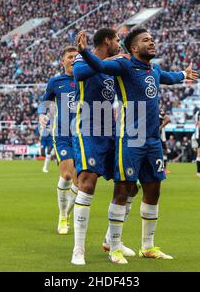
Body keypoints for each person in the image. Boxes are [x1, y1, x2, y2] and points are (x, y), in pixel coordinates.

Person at [76, 27, 199, 264]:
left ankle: (148, 246)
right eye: (146, 40)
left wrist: (183, 74)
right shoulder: (123, 66)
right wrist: (84, 51)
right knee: (122, 189)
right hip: (130, 139)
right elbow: (100, 66)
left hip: (153, 141)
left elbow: (170, 77)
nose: (151, 42)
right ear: (134, 48)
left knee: (153, 189)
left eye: (152, 39)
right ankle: (114, 247)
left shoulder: (154, 69)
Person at [71, 28, 136, 265]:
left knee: (130, 186)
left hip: (112, 131)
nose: (120, 44)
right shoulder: (83, 56)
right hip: (87, 127)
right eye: (117, 40)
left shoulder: (115, 66)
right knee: (88, 181)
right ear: (107, 41)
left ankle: (111, 240)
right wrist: (107, 60)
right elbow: (78, 74)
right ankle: (78, 249)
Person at [39, 46, 79, 235]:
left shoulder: (86, 79)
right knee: (69, 176)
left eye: (76, 56)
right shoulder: (56, 81)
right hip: (63, 136)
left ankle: (66, 214)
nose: (73, 59)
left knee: (79, 184)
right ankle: (63, 217)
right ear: (63, 61)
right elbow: (44, 101)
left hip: (84, 136)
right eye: (69, 56)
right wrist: (42, 114)